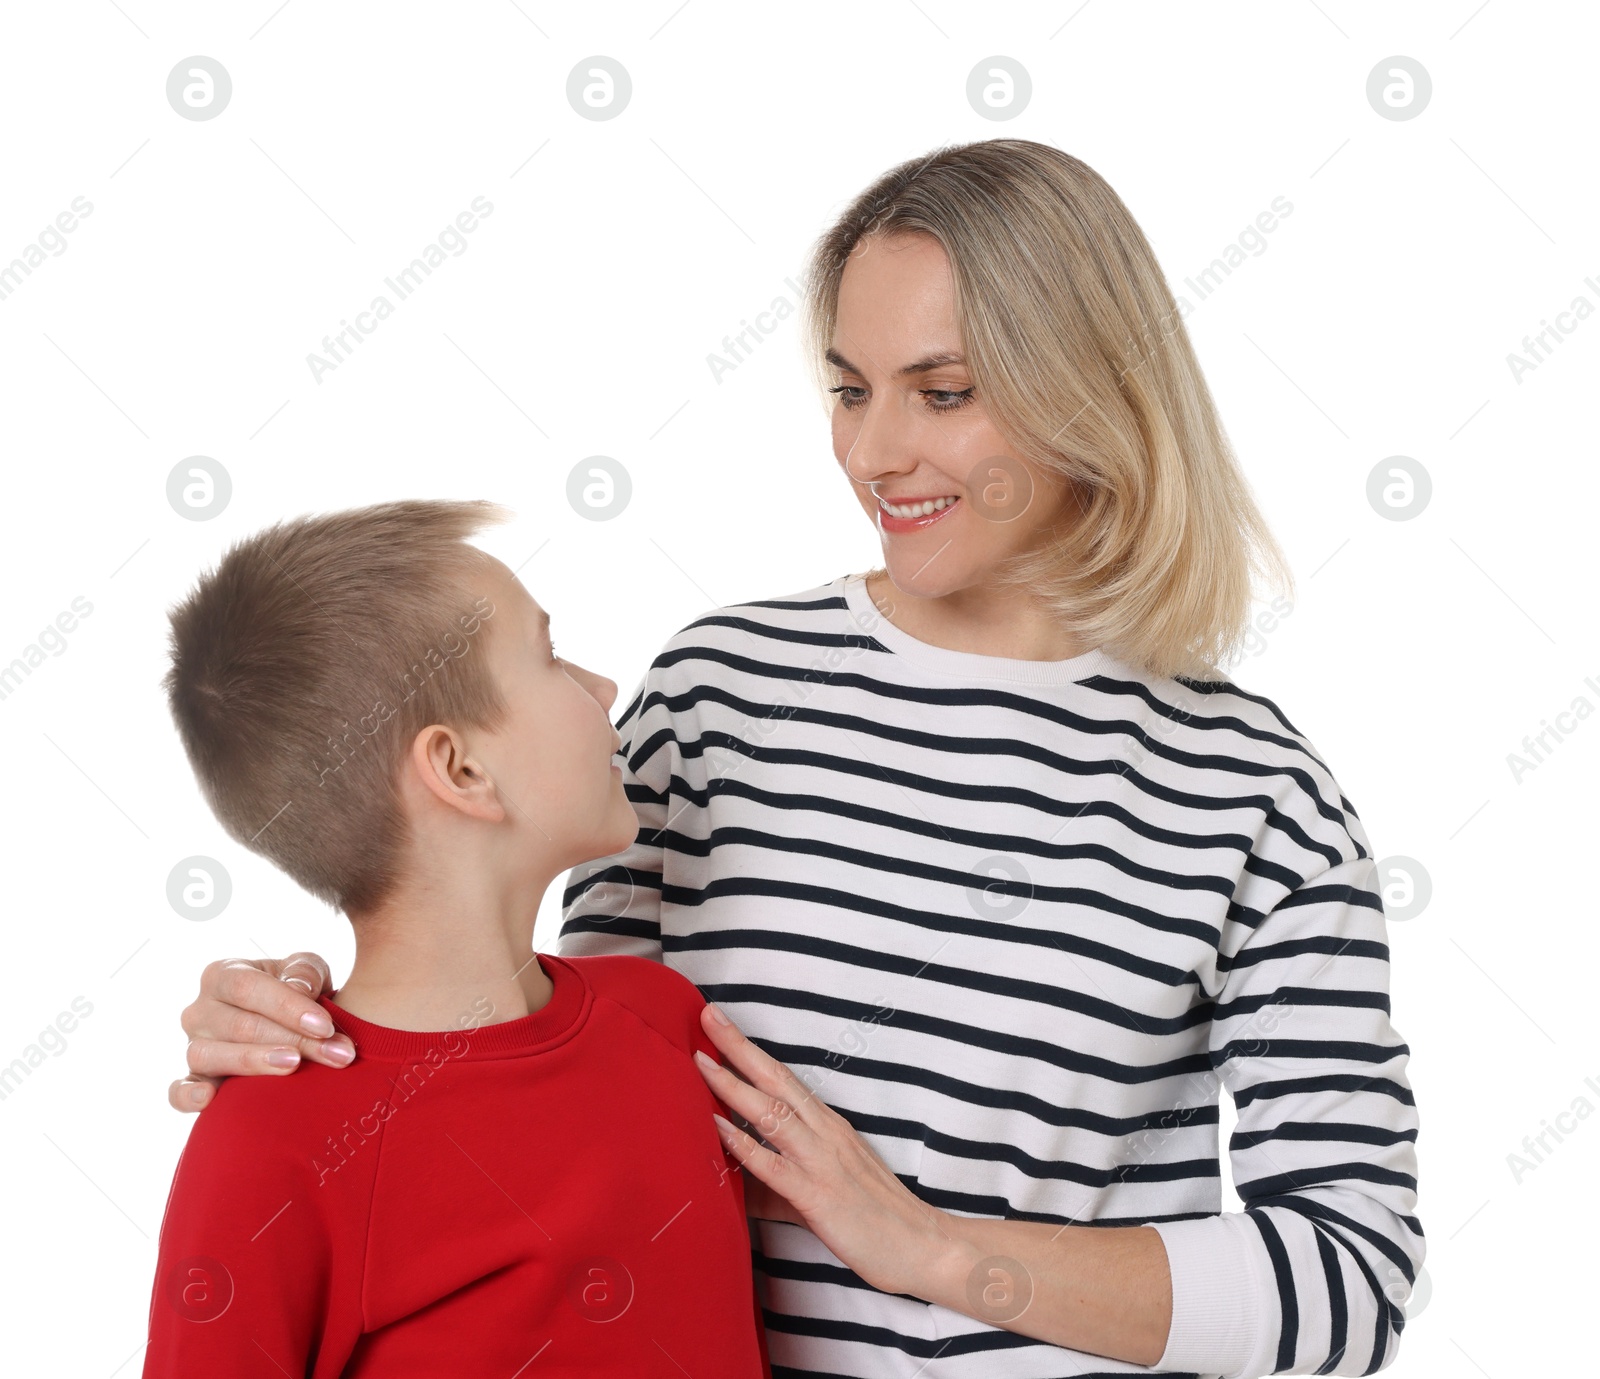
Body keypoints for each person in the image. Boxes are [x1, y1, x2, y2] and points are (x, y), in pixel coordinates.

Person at [166, 140, 1424, 1379]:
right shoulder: (716, 698)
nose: (874, 453)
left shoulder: (1253, 793)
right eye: (847, 387)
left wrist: (934, 1250)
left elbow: (1350, 1273)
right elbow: (531, 1072)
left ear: (1092, 389)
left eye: (941, 392)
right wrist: (301, 1036)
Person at [144, 500, 771, 1378]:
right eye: (550, 656)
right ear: (461, 770)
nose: (603, 688)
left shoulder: (668, 1022)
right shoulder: (267, 1145)